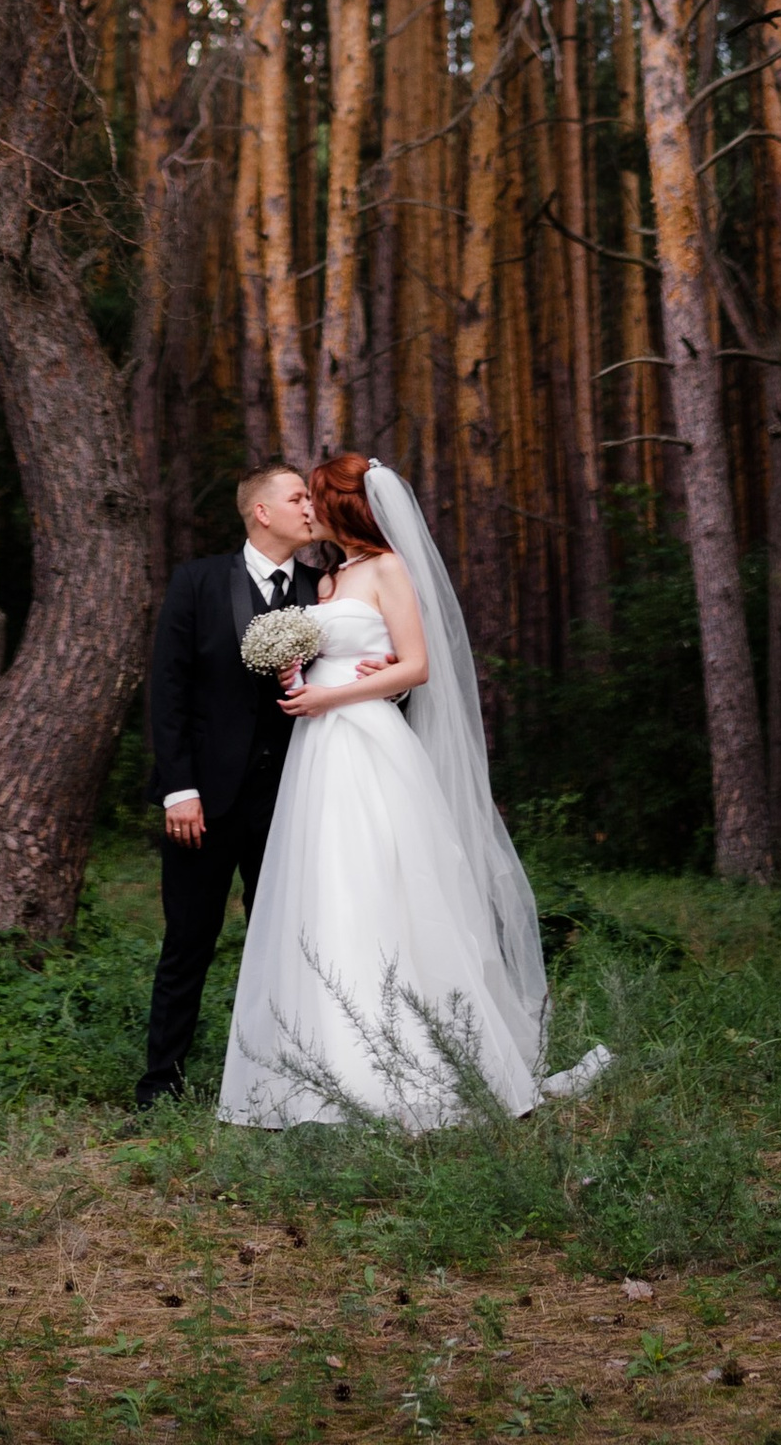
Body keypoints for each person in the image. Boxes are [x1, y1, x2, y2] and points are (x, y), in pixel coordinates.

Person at [217, 449, 610, 1130]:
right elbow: (369, 660)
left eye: (316, 498)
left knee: (386, 884)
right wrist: (306, 677)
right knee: (324, 889)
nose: (309, 508)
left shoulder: (389, 568)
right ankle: (323, 1065)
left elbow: (421, 665)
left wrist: (355, 685)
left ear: (343, 505)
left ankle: (415, 1066)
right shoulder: (330, 578)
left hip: (365, 742)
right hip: (320, 749)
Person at [136, 461, 323, 1110]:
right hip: (205, 804)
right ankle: (161, 1084)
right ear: (261, 511)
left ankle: (286, 1083)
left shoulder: (323, 587)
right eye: (298, 496)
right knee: (188, 943)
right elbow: (170, 689)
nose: (311, 505)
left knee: (293, 943)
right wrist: (178, 788)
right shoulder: (197, 581)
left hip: (295, 801)